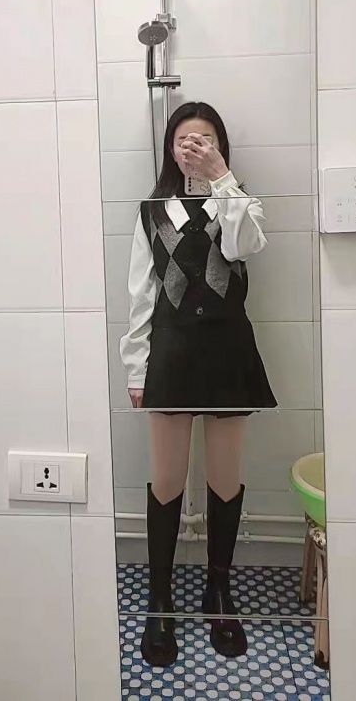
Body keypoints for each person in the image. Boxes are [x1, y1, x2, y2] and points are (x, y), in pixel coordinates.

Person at [119, 101, 277, 666]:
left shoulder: (240, 201)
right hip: (171, 352)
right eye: (184, 139)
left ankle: (218, 591)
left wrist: (221, 179)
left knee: (225, 479)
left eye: (205, 139)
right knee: (166, 481)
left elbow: (244, 246)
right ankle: (160, 599)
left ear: (220, 146)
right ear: (170, 148)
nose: (194, 146)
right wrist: (136, 366)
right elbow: (140, 294)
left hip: (228, 351)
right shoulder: (151, 211)